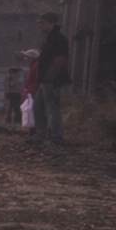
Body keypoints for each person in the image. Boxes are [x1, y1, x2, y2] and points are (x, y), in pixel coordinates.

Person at [33, 12, 71, 147]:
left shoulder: (58, 37)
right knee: (38, 107)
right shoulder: (49, 38)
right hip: (45, 80)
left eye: (41, 22)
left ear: (51, 22)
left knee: (53, 109)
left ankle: (57, 139)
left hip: (52, 80)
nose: (39, 25)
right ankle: (40, 136)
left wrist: (50, 77)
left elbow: (60, 59)